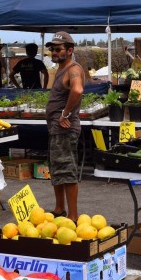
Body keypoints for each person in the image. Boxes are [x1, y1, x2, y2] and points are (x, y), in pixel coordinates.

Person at [44, 32, 85, 222]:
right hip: (56, 129)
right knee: (57, 169)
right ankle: (59, 208)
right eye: (52, 49)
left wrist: (65, 113)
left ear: (70, 50)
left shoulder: (73, 69)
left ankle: (73, 216)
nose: (54, 52)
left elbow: (77, 90)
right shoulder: (61, 69)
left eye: (58, 49)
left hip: (65, 129)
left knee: (67, 171)